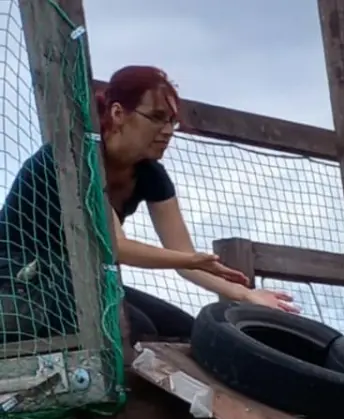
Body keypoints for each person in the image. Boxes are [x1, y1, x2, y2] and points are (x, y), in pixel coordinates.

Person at [0, 64, 297, 345]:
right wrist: (190, 259)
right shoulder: (78, 157)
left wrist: (244, 295)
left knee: (190, 332)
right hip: (21, 284)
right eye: (156, 117)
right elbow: (117, 247)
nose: (167, 131)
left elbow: (184, 257)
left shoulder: (150, 173)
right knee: (137, 328)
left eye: (172, 121)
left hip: (79, 282)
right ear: (118, 113)